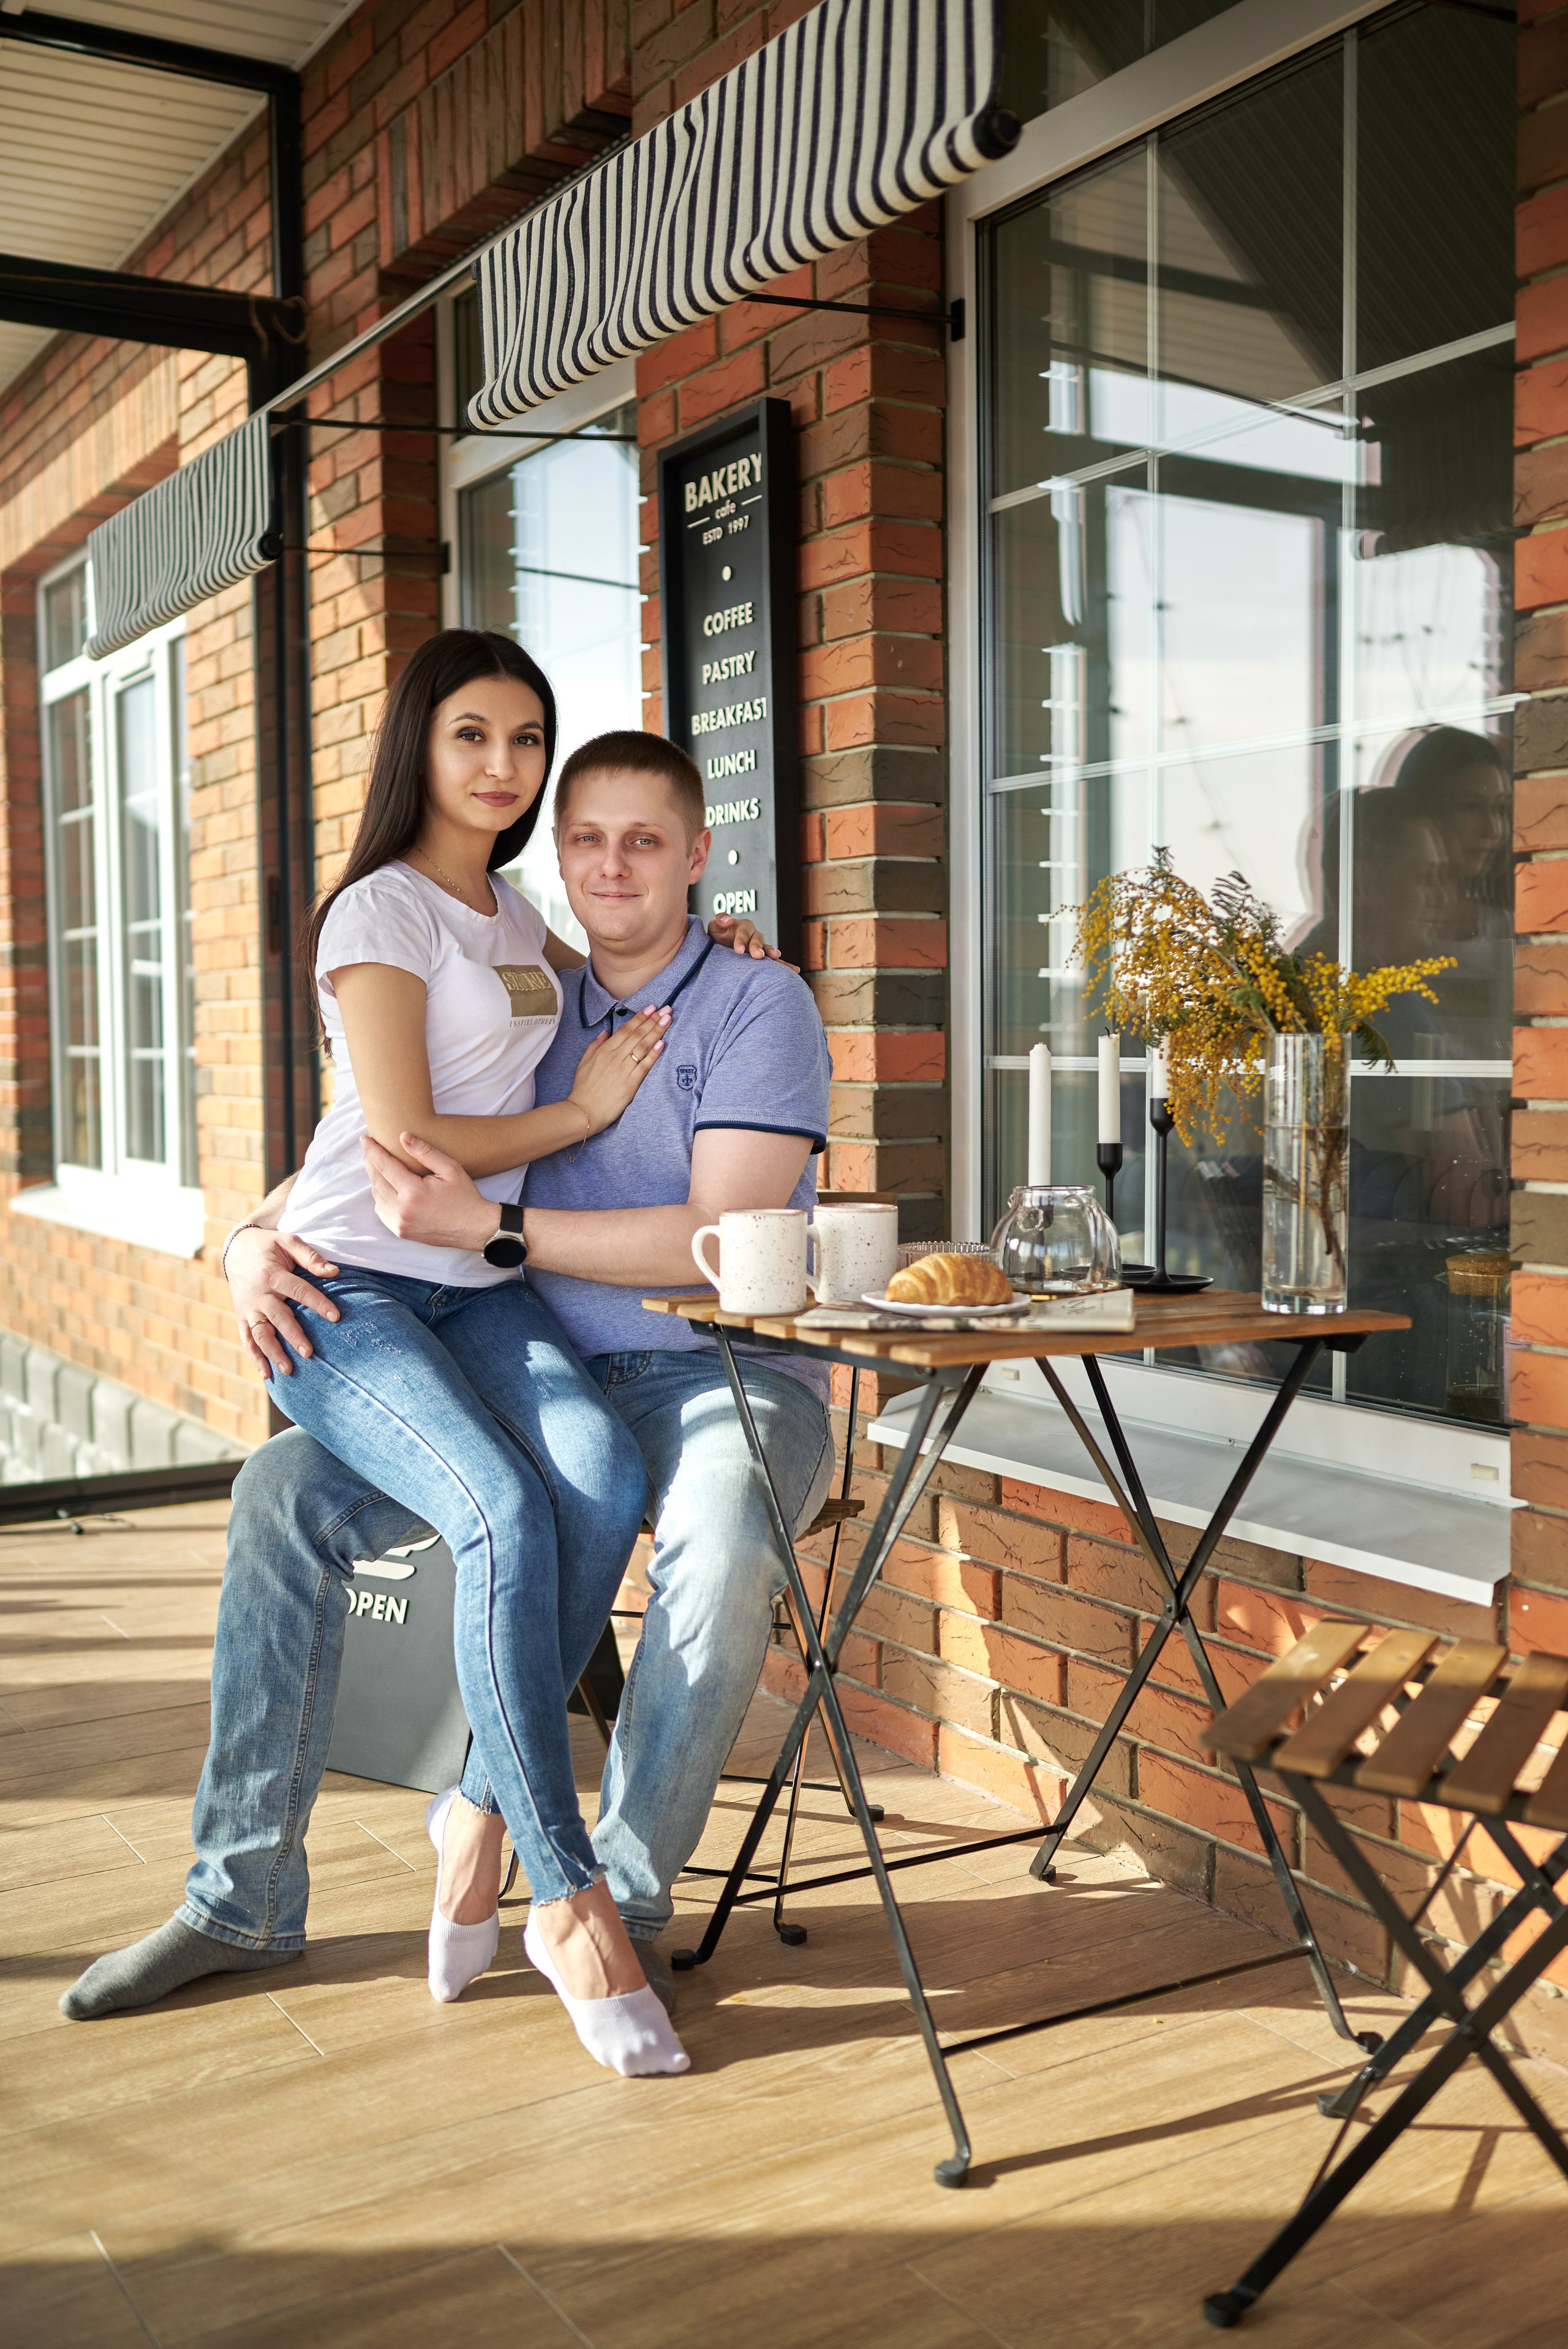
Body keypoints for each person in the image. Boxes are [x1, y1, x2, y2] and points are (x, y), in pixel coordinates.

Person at [62, 715, 835, 2059]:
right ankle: (239, 1893)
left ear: (699, 856)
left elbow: (721, 1239)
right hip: (519, 1354)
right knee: (278, 1494)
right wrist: (248, 1239)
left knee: (718, 1538)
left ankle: (604, 1895)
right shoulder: (534, 986)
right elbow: (390, 1136)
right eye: (586, 837)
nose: (612, 866)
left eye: (645, 841)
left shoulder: (756, 1000)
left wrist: (501, 1234)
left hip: (721, 1369)